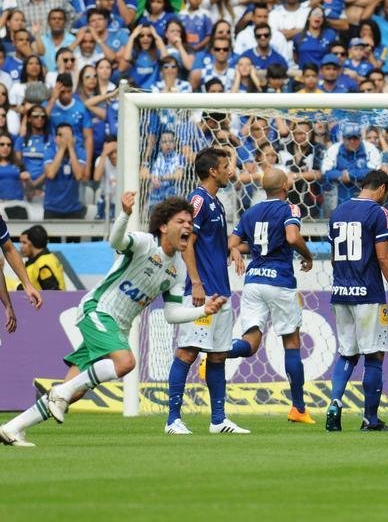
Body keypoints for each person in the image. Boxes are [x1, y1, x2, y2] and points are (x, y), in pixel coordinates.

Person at [0, 191, 226, 447]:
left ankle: (11, 428)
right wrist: (125, 214)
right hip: (98, 310)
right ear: (163, 226)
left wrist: (202, 311)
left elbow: (172, 314)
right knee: (125, 362)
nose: (188, 226)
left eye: (190, 222)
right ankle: (59, 394)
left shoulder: (178, 269)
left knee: (73, 391)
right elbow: (115, 241)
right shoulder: (144, 243)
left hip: (116, 326)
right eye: (181, 221)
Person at [224, 168, 315, 424]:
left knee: (250, 343)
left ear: (264, 188)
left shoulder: (251, 212)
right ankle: (298, 408)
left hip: (253, 282)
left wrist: (236, 252)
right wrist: (308, 255)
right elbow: (292, 236)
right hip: (279, 281)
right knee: (291, 343)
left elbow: (232, 241)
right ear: (285, 185)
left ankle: (216, 353)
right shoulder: (290, 209)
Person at [165, 147, 245, 435]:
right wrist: (196, 282)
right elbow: (186, 242)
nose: (229, 171)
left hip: (220, 290)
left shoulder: (216, 202)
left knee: (218, 356)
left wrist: (232, 249)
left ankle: (218, 420)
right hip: (203, 292)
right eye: (225, 166)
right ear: (213, 171)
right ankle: (173, 420)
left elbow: (212, 244)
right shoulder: (198, 201)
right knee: (188, 352)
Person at [325, 169, 388, 433]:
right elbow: (384, 257)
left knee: (347, 353)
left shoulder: (337, 212)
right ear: (383, 188)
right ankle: (370, 420)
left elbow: (332, 257)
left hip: (341, 292)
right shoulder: (378, 213)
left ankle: (334, 403)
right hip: (368, 293)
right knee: (374, 354)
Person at [16, 224, 64, 290]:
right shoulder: (47, 258)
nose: (21, 246)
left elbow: (52, 293)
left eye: (24, 243)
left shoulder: (42, 265)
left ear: (32, 242)